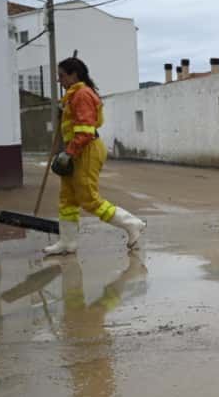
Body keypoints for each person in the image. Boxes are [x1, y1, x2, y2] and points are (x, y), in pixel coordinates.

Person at [42, 57, 146, 255]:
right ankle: (67, 242)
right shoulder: (74, 96)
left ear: (74, 75)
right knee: (67, 198)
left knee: (88, 197)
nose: (59, 80)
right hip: (76, 150)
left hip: (86, 149)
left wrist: (69, 153)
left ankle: (132, 224)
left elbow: (85, 130)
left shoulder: (81, 94)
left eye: (62, 75)